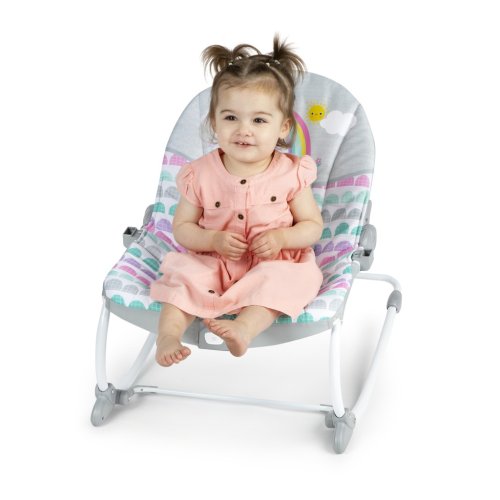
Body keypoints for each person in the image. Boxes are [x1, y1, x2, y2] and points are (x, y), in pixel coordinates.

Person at [150, 35, 324, 367]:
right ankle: (168, 335)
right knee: (183, 276)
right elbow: (183, 228)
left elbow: (312, 226)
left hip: (273, 261)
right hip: (214, 261)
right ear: (214, 122)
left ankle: (244, 328)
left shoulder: (292, 173)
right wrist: (212, 240)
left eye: (259, 120)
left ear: (283, 127)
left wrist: (281, 238)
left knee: (287, 280)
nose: (244, 130)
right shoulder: (198, 174)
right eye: (231, 118)